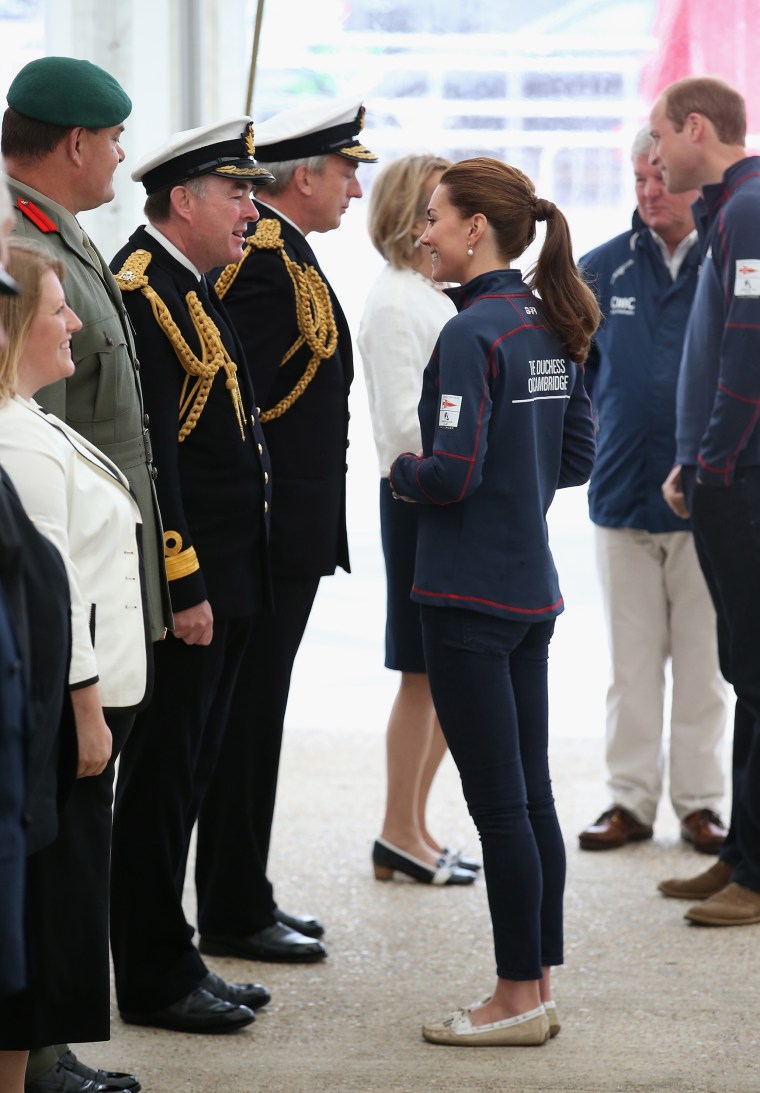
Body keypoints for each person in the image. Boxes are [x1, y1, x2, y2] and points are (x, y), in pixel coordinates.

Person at [389, 157, 598, 1045]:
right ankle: (538, 979)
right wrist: (519, 475)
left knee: (500, 807)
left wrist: (402, 470)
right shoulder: (547, 320)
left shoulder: (470, 334)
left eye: (433, 216)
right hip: (529, 592)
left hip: (465, 595)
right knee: (532, 800)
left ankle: (515, 996)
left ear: (476, 227)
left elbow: (450, 472)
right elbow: (578, 457)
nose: (422, 231)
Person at [2, 56, 170, 1091]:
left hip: (98, 589)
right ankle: (40, 1046)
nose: (118, 155)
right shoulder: (20, 248)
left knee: (74, 844)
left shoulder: (63, 238)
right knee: (51, 851)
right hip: (57, 611)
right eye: (111, 140)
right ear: (74, 143)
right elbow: (34, 490)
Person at [196, 97, 377, 963]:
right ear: (303, 176)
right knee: (243, 723)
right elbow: (241, 413)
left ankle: (245, 891)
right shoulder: (263, 263)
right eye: (344, 170)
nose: (352, 187)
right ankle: (232, 906)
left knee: (253, 720)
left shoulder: (284, 252)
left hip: (287, 532)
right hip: (264, 535)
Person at [109, 118, 275, 1033]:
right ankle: (152, 973)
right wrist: (184, 580)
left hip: (229, 570)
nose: (252, 210)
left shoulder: (191, 284)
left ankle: (175, 950)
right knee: (163, 776)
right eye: (237, 193)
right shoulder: (143, 288)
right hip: (193, 579)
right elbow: (155, 455)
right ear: (185, 200)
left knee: (194, 768)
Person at [577, 128, 728, 854]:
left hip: (708, 508)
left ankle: (700, 803)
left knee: (704, 669)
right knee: (629, 669)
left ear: (695, 178)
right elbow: (574, 384)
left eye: (661, 177)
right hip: (621, 501)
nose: (649, 192)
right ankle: (629, 801)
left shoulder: (729, 260)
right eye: (639, 179)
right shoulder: (601, 270)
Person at [650, 76, 760, 926]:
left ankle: (757, 870)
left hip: (744, 481)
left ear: (697, 127)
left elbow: (750, 353)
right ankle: (742, 852)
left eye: (661, 136)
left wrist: (713, 461)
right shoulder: (733, 210)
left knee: (758, 673)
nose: (655, 155)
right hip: (725, 475)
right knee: (746, 670)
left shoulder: (751, 212)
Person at [357, 153, 477, 885]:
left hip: (435, 496)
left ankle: (416, 825)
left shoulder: (427, 295)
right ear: (412, 219)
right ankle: (397, 829)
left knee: (435, 674)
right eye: (437, 209)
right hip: (417, 498)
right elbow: (408, 425)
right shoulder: (400, 301)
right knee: (420, 673)